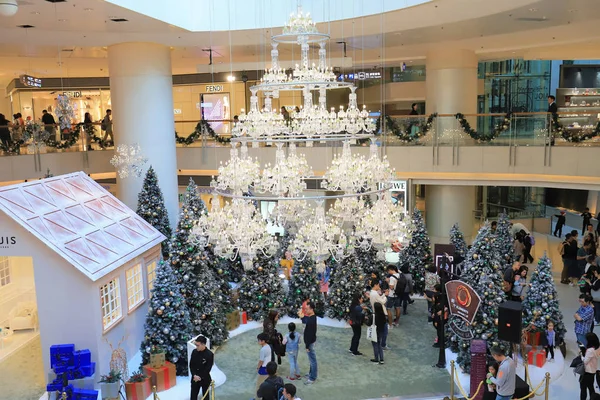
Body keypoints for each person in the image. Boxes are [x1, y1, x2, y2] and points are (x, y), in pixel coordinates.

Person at [189, 335, 214, 400]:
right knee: (193, 397)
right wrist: (194, 375)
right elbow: (191, 365)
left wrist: (199, 377)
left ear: (203, 345)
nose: (196, 347)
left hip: (204, 379)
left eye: (198, 345)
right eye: (196, 345)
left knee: (205, 397)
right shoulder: (194, 352)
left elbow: (208, 369)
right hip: (195, 378)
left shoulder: (209, 354)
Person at [369, 279, 389, 350]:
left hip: (376, 313)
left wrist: (383, 295)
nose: (379, 286)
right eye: (378, 285)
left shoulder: (372, 293)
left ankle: (381, 344)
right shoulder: (375, 294)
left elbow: (379, 299)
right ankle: (382, 344)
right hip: (381, 313)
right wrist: (385, 296)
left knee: (381, 330)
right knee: (384, 330)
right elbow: (382, 301)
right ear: (375, 285)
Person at [580, 332, 599, 400]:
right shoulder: (597, 347)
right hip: (593, 370)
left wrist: (581, 355)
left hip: (587, 372)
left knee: (583, 388)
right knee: (591, 386)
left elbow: (585, 361)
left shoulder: (590, 350)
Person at [303, 301, 317, 385]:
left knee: (313, 361)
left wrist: (307, 345)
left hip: (310, 343)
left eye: (307, 309)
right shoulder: (312, 317)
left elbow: (310, 334)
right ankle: (311, 374)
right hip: (310, 341)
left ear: (311, 309)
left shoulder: (311, 320)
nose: (306, 311)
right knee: (311, 359)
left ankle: (312, 377)